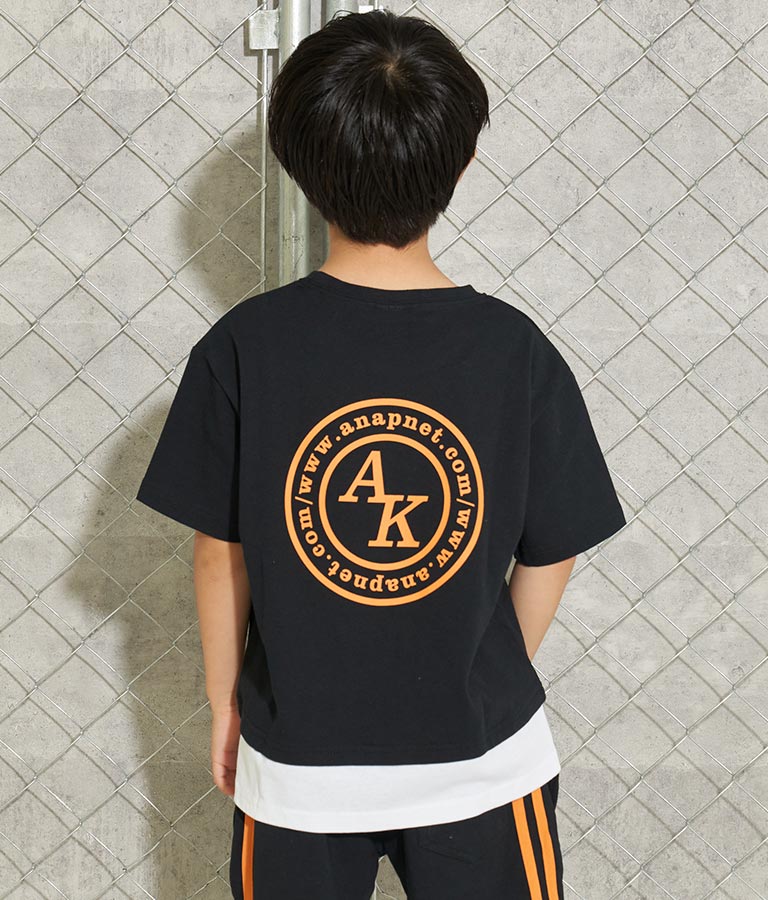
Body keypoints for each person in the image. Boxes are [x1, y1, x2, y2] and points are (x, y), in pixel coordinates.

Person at [136, 9, 626, 899]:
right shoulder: (514, 351)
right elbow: (554, 547)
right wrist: (474, 664)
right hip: (485, 763)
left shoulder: (244, 347)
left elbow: (219, 553)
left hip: (299, 767)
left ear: (297, 166)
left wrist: (226, 702)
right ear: (463, 164)